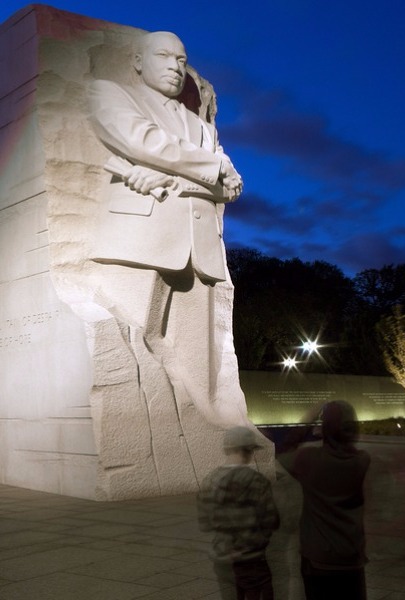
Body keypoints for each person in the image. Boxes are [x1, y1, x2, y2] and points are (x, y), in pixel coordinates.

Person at [87, 31, 244, 430]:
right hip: (137, 240)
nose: (176, 66)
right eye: (164, 56)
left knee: (198, 366)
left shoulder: (204, 129)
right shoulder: (111, 93)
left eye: (181, 59)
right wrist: (210, 168)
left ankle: (205, 432)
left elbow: (230, 188)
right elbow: (142, 140)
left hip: (200, 251)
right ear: (138, 61)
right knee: (131, 346)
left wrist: (164, 174)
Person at [276, 401, 371, 600]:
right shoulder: (362, 461)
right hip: (351, 555)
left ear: (325, 428)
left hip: (318, 556)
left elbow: (282, 450)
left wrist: (309, 419)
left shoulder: (308, 459)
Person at [197, 426, 280, 600]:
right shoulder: (258, 481)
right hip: (252, 558)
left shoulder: (209, 480)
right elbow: (271, 520)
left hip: (222, 557)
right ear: (249, 450)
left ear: (227, 449)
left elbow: (205, 523)